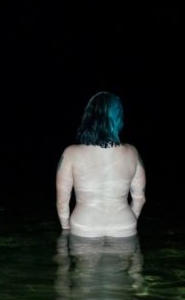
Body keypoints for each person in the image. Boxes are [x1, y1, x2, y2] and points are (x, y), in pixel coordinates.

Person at [56, 92, 146, 237]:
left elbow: (62, 202)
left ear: (88, 117)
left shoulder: (71, 153)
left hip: (85, 226)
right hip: (123, 226)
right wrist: (127, 223)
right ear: (118, 118)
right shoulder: (132, 153)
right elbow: (139, 198)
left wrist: (66, 230)